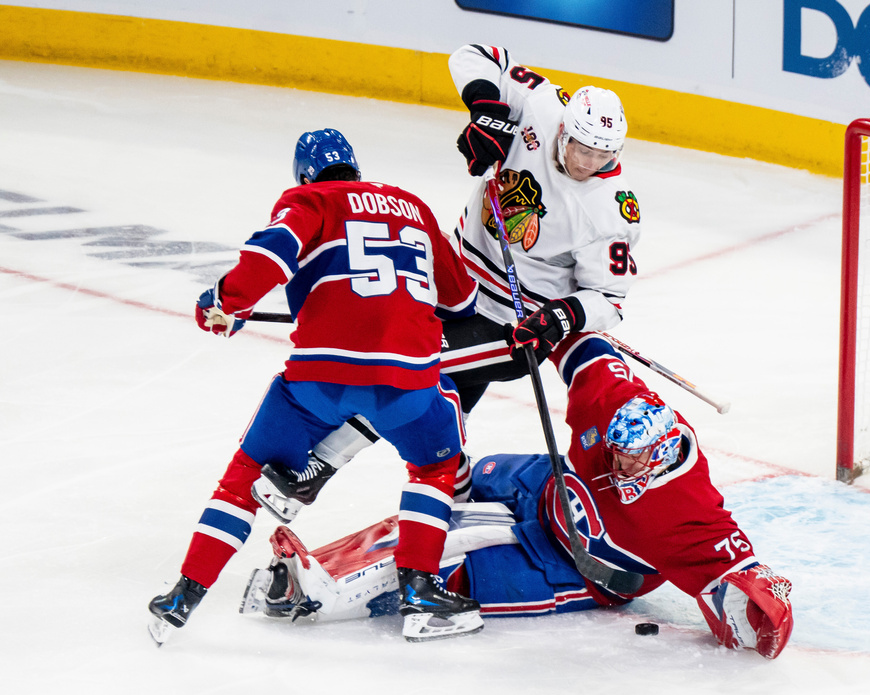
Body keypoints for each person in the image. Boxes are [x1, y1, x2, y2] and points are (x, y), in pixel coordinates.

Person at [252, 43, 644, 523]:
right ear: (563, 129)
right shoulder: (543, 105)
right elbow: (475, 54)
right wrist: (487, 111)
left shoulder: (610, 210)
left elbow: (609, 298)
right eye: (582, 149)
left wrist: (561, 317)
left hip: (512, 324)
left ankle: (322, 467)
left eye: (603, 154)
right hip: (451, 280)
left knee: (411, 372)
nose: (589, 163)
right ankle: (451, 494)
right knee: (441, 397)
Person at [241, 335, 795, 659]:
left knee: (458, 573)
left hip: (571, 566)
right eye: (616, 453)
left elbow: (748, 606)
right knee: (450, 492)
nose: (618, 464)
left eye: (630, 460)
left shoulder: (691, 517)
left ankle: (322, 591)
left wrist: (763, 605)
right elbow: (589, 351)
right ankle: (380, 541)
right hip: (543, 485)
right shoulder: (616, 405)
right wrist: (555, 326)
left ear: (661, 452)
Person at [147, 128, 484, 645]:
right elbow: (461, 302)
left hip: (319, 382)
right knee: (435, 464)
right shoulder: (413, 205)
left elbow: (272, 254)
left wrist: (225, 300)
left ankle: (183, 596)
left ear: (305, 175)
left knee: (242, 480)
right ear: (355, 167)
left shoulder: (309, 198)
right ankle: (420, 590)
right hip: (409, 385)